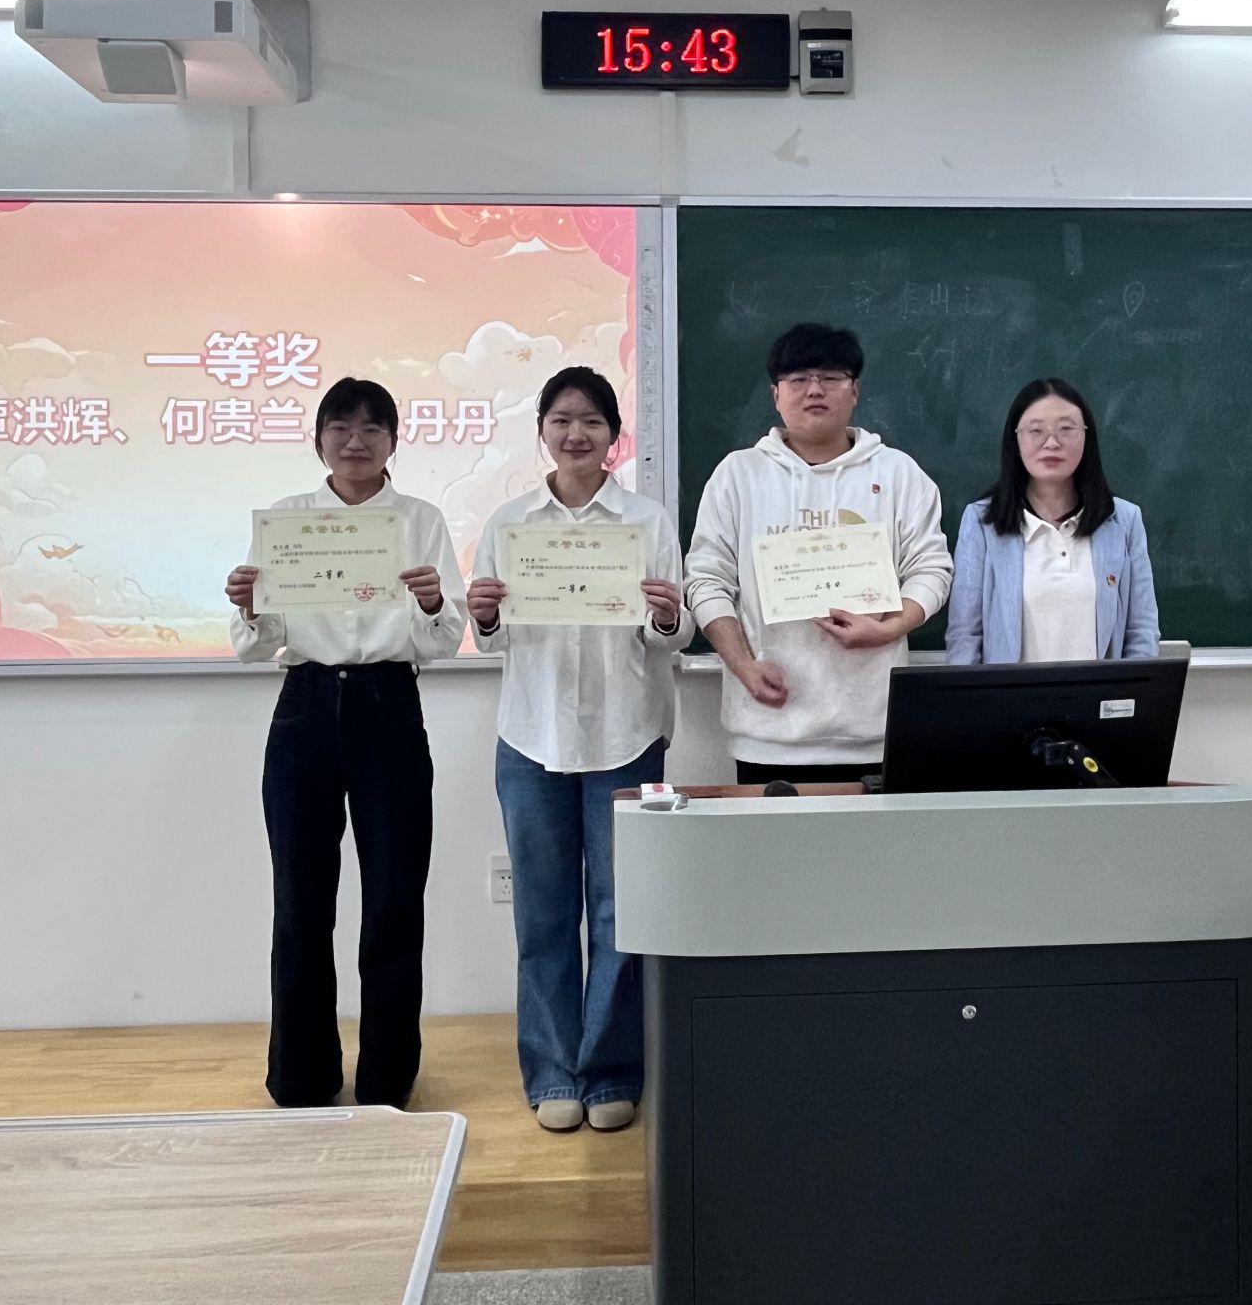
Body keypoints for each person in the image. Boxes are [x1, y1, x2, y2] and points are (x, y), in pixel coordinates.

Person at [224, 376, 464, 1110]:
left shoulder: (421, 520)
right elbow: (253, 647)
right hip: (303, 707)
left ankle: (388, 1076)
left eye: (371, 428)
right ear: (319, 439)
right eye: (340, 427)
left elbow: (445, 639)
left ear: (393, 441)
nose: (355, 442)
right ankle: (301, 1077)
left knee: (394, 897)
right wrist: (250, 607)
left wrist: (432, 602)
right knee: (300, 901)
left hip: (388, 704)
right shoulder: (287, 522)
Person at [467, 366, 690, 1134]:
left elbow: (670, 637)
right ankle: (554, 1071)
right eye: (561, 420)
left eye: (591, 420)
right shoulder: (510, 525)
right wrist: (484, 615)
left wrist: (668, 615)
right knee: (543, 912)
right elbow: (492, 639)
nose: (576, 434)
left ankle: (611, 1072)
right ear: (543, 432)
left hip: (626, 734)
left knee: (622, 911)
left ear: (613, 436)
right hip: (531, 736)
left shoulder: (646, 521)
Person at [684, 322, 952, 784]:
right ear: (776, 394)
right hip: (767, 730)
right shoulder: (738, 475)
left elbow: (931, 570)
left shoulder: (898, 473)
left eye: (831, 377)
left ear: (855, 390)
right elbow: (706, 580)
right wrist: (744, 666)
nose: (814, 390)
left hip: (875, 730)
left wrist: (888, 628)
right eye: (798, 379)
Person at [945, 376, 1159, 664]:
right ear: (1015, 438)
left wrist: (1133, 691)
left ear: (1086, 436)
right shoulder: (982, 523)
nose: (1052, 443)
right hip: (1010, 694)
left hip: (1100, 692)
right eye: (1036, 430)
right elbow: (965, 636)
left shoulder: (1123, 521)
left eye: (1066, 429)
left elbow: (1141, 630)